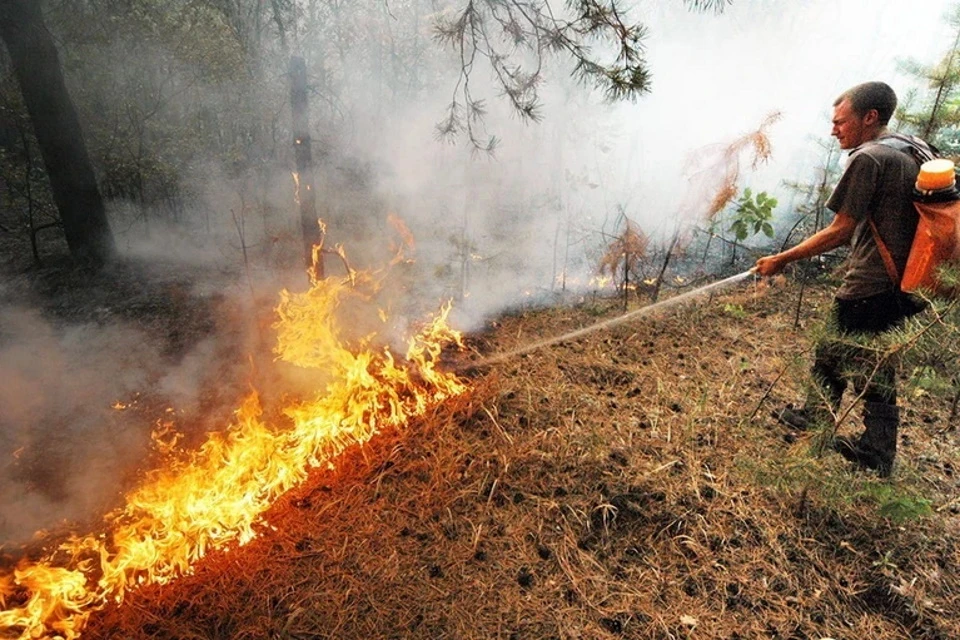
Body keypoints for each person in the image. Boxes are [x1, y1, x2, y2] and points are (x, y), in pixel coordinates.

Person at [754, 81, 932, 477]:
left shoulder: (869, 158)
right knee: (845, 351)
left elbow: (840, 230)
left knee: (863, 361)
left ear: (870, 118)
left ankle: (874, 449)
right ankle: (821, 420)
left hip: (874, 280)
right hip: (910, 279)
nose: (834, 130)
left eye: (841, 122)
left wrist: (782, 259)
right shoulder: (908, 148)